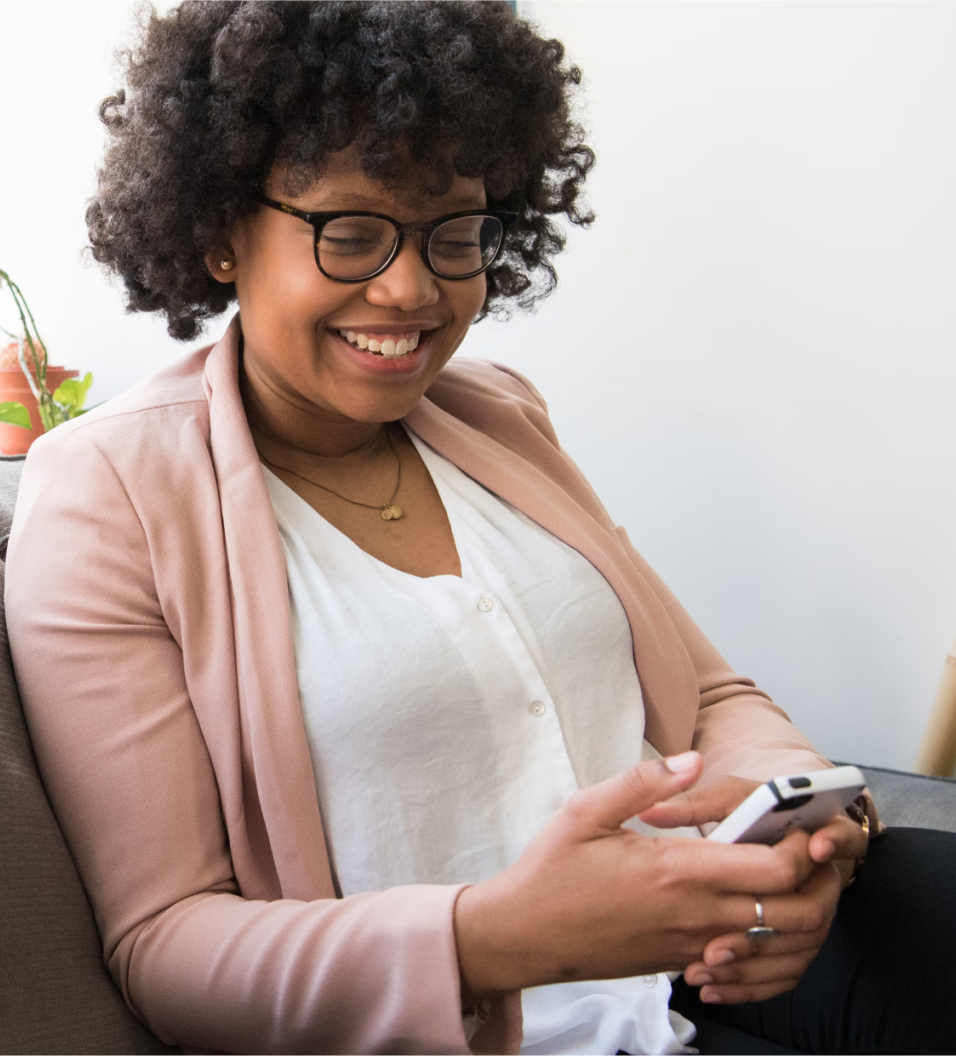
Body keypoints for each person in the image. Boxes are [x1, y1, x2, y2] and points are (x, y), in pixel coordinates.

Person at [5, 2, 954, 1055]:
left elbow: (714, 699)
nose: (412, 289)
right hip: (476, 1024)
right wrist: (494, 939)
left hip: (692, 959)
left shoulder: (495, 409)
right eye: (349, 231)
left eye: (452, 233)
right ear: (221, 233)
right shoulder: (104, 493)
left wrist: (815, 835)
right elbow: (165, 944)